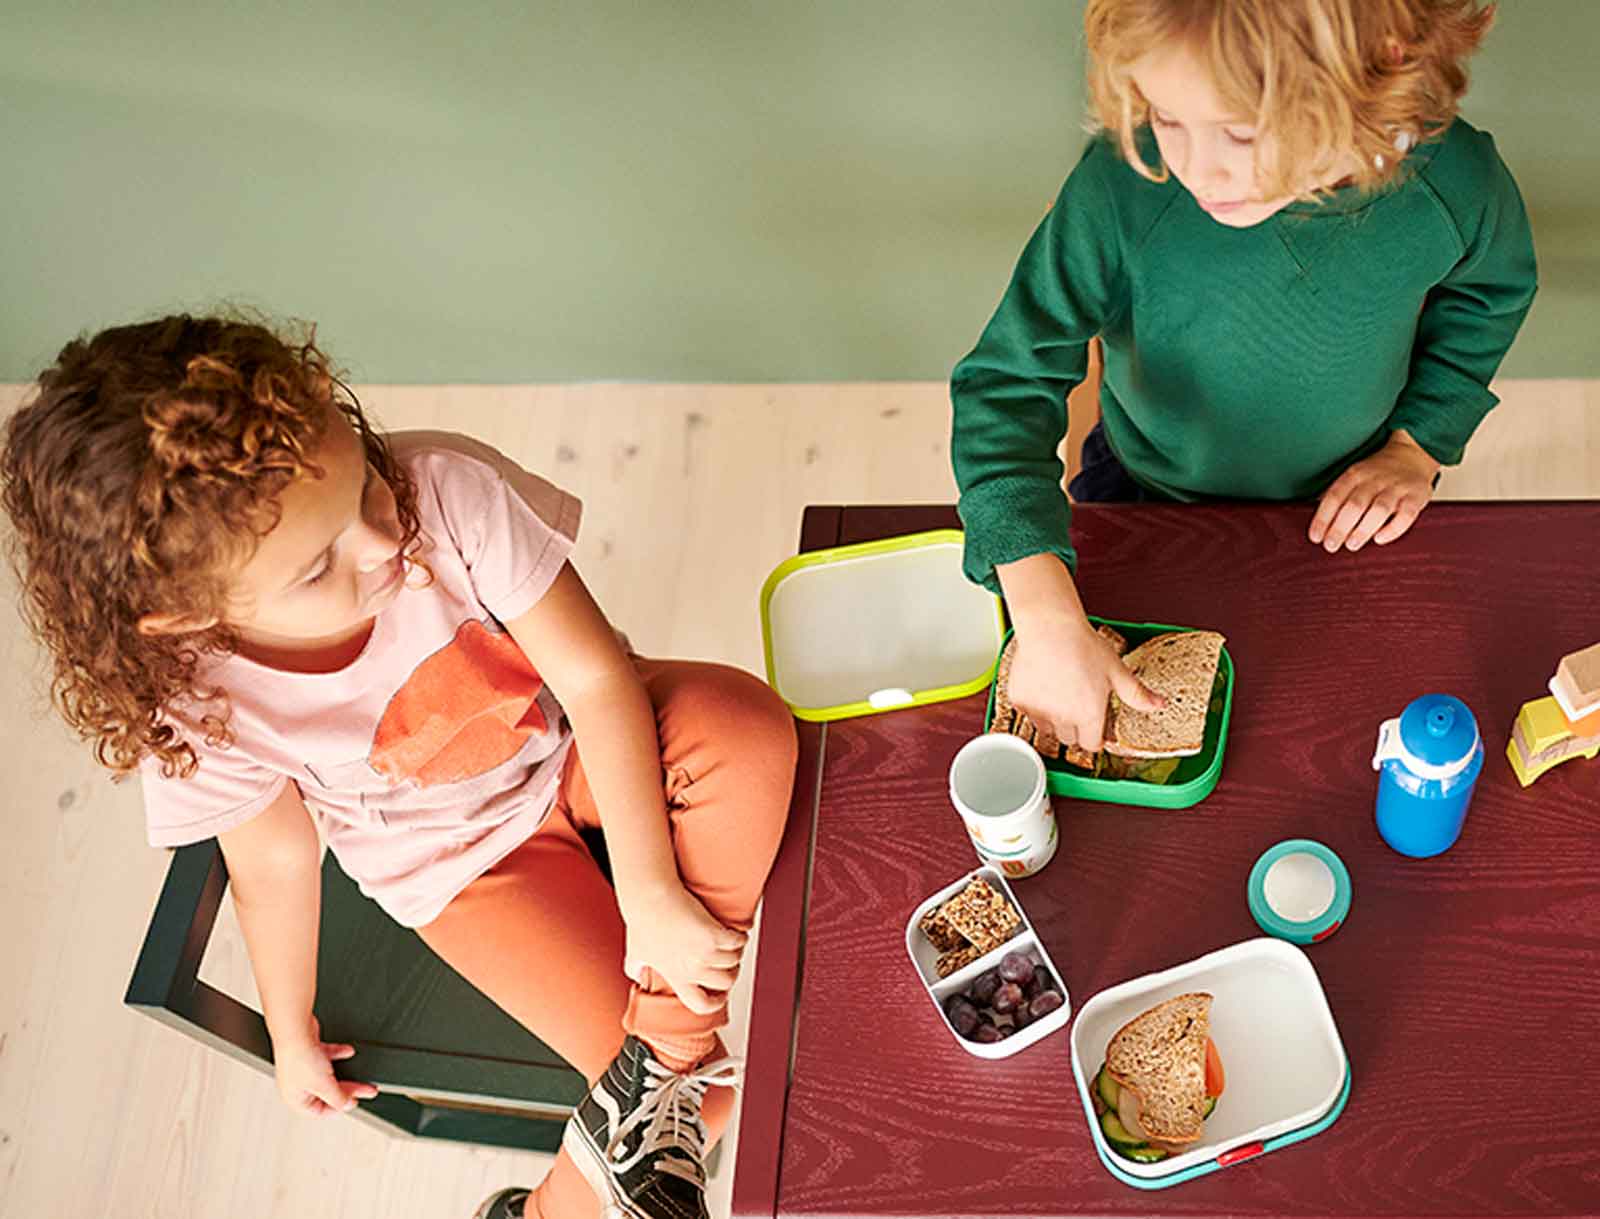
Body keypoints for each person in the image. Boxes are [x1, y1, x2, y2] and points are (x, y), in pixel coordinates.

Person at [0, 314, 797, 1219]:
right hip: (461, 870)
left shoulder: (447, 490)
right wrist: (289, 1026)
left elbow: (595, 680)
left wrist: (651, 894)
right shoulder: (197, 703)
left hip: (575, 745)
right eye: (316, 568)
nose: (385, 544)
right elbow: (271, 864)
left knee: (750, 733)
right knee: (715, 1100)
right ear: (187, 618)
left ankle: (661, 1061)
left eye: (367, 486)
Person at [951, 0, 1535, 754]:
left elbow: (1492, 294)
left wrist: (1419, 444)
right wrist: (1043, 612)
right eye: (1166, 116)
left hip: (1350, 500)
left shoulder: (1456, 185)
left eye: (1242, 131)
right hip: (1140, 487)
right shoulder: (1126, 180)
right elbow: (1005, 383)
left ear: (1381, 67)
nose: (1197, 168)